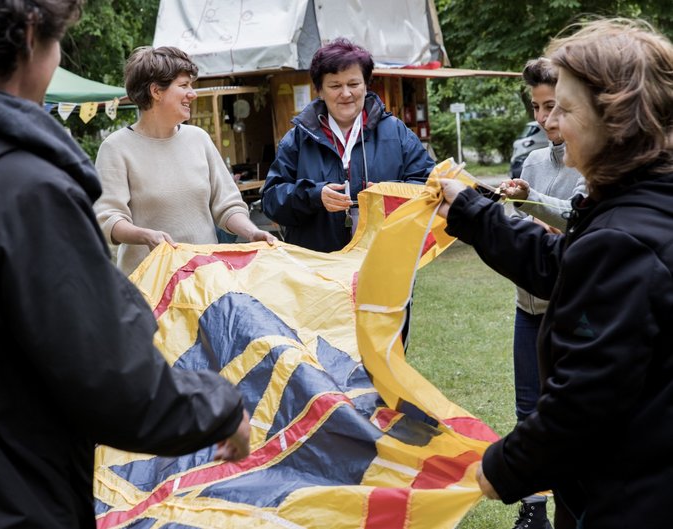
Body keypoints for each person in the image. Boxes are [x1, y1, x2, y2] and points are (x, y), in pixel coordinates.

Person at [0, 2, 250, 528]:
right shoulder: (25, 189)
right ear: (32, 38)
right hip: (11, 503)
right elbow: (112, 379)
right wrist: (220, 409)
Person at [437, 18, 673, 529]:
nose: (552, 124)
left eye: (565, 109)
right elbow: (564, 263)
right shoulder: (639, 205)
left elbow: (584, 400)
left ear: (616, 119)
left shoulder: (626, 239)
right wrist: (473, 211)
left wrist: (499, 469)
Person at [497, 57, 586, 529]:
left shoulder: (592, 156)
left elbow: (580, 217)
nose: (544, 119)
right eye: (536, 108)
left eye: (552, 106)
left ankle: (576, 506)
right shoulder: (532, 159)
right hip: (527, 305)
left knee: (571, 409)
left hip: (571, 308)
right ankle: (534, 512)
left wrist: (532, 204)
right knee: (527, 410)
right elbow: (523, 223)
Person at [94, 46, 275, 276]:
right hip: (149, 288)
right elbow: (108, 219)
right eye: (183, 86)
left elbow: (227, 205)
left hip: (204, 280)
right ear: (156, 92)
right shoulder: (116, 147)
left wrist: (251, 232)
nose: (193, 93)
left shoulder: (198, 139)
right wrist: (145, 235)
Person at [261, 38, 435, 253]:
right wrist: (313, 196)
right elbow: (271, 200)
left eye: (353, 84)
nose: (346, 94)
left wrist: (391, 193)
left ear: (365, 85)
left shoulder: (395, 132)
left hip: (386, 257)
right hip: (319, 266)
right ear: (320, 91)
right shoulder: (298, 138)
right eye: (335, 85)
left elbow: (429, 185)